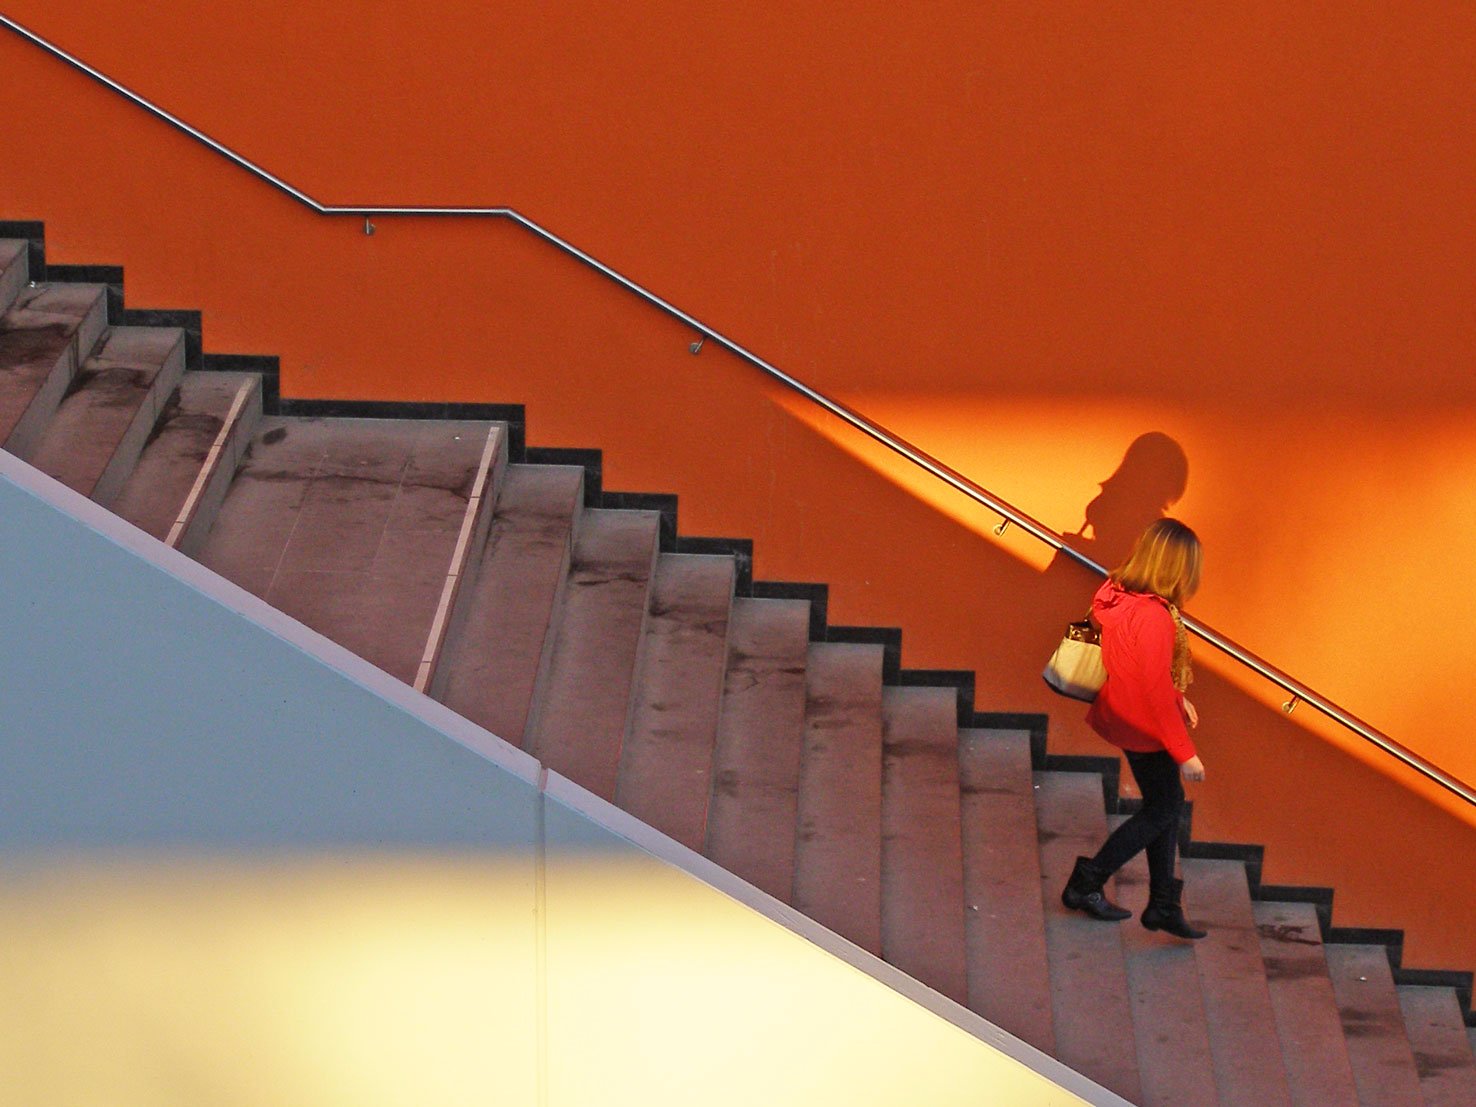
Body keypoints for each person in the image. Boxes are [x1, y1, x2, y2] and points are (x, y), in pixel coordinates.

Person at [1060, 517, 1208, 940]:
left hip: (1123, 717)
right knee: (1162, 808)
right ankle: (1086, 883)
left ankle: (1163, 903)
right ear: (1178, 568)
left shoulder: (1116, 593)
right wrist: (1185, 753)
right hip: (1143, 727)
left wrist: (1179, 699)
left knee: (1166, 805)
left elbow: (1141, 671)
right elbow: (1154, 690)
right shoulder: (1154, 617)